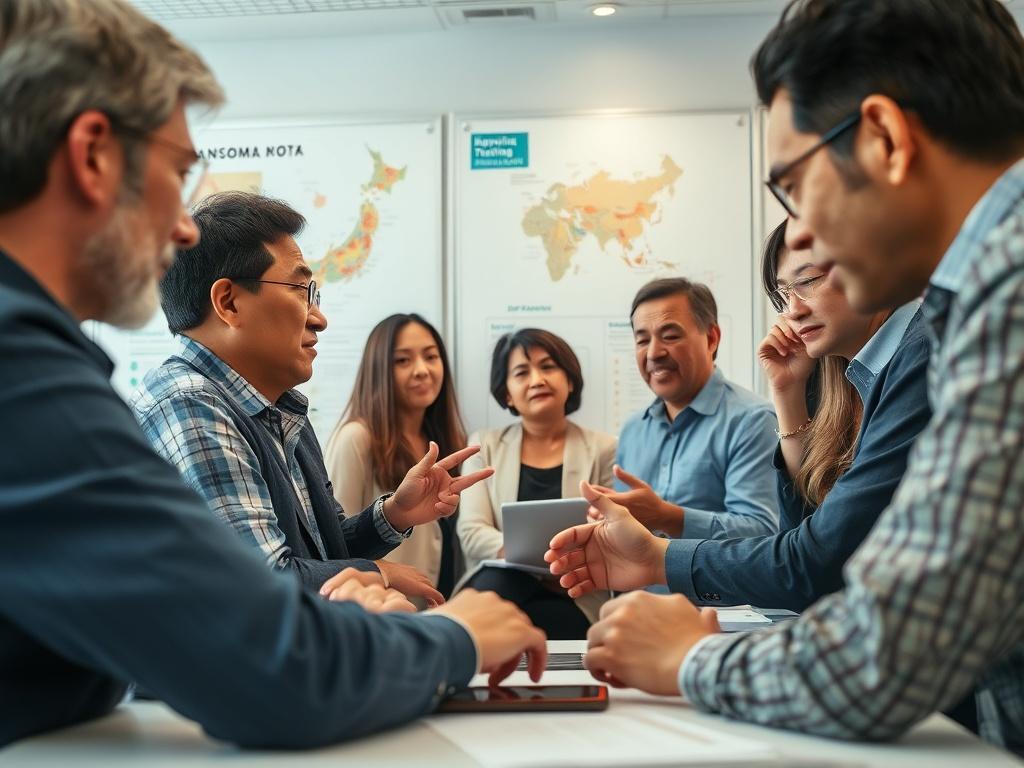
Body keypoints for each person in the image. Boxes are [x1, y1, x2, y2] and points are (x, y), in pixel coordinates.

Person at [0, 0, 545, 749]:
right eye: (177, 172)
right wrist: (460, 633)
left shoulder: (42, 361)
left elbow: (186, 624)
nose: (185, 227)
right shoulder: (26, 371)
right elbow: (275, 668)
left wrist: (370, 547)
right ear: (94, 155)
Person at [547, 0, 1024, 754]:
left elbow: (889, 649)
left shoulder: (1004, 288)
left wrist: (690, 657)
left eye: (791, 188)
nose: (798, 234)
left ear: (885, 139)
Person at [131, 192, 467, 605]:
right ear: (228, 302)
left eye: (314, 294)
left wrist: (394, 513)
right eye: (298, 289)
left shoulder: (281, 407)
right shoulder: (188, 403)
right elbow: (259, 578)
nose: (318, 318)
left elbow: (321, 553)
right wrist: (378, 573)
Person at [585, 220, 931, 611]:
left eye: (808, 281)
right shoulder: (847, 379)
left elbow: (813, 559)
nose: (793, 311)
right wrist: (787, 393)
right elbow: (808, 529)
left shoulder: (919, 359)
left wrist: (658, 552)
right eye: (784, 295)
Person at [456, 328, 617, 638]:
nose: (537, 379)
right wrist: (526, 560)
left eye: (548, 366)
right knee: (499, 593)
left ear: (569, 379)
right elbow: (472, 532)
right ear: (507, 393)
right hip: (503, 587)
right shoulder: (483, 446)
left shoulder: (604, 449)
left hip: (574, 595)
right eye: (521, 372)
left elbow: (611, 532)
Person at [612, 278, 779, 540]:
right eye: (642, 341)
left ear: (711, 339)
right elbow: (624, 522)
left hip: (712, 582)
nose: (654, 353)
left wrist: (667, 517)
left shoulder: (753, 420)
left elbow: (761, 531)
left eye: (670, 336)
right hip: (636, 583)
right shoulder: (632, 430)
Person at [324, 313, 467, 600]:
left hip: (439, 610)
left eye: (431, 356)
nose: (421, 370)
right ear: (379, 370)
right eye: (403, 360)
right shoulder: (356, 438)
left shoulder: (442, 439)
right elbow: (335, 548)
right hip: (385, 615)